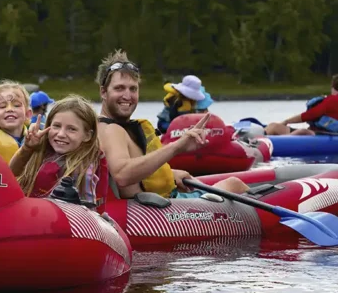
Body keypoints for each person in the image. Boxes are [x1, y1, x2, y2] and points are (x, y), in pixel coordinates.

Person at [96, 49, 249, 200]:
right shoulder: (112, 130)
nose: (127, 96)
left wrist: (169, 174)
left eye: (133, 89)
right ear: (103, 92)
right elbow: (122, 175)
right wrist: (177, 147)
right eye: (119, 88)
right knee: (234, 185)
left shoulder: (97, 127)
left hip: (151, 204)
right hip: (157, 212)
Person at [10, 95, 103, 206]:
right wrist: (27, 148)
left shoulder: (84, 171)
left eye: (71, 129)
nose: (61, 134)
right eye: (56, 126)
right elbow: (11, 174)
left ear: (87, 135)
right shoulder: (40, 151)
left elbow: (89, 211)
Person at [265, 73, 338, 136]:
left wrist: (286, 121)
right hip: (326, 134)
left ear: (332, 86)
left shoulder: (331, 100)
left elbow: (309, 115)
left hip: (314, 134)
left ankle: (258, 139)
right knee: (274, 127)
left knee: (274, 126)